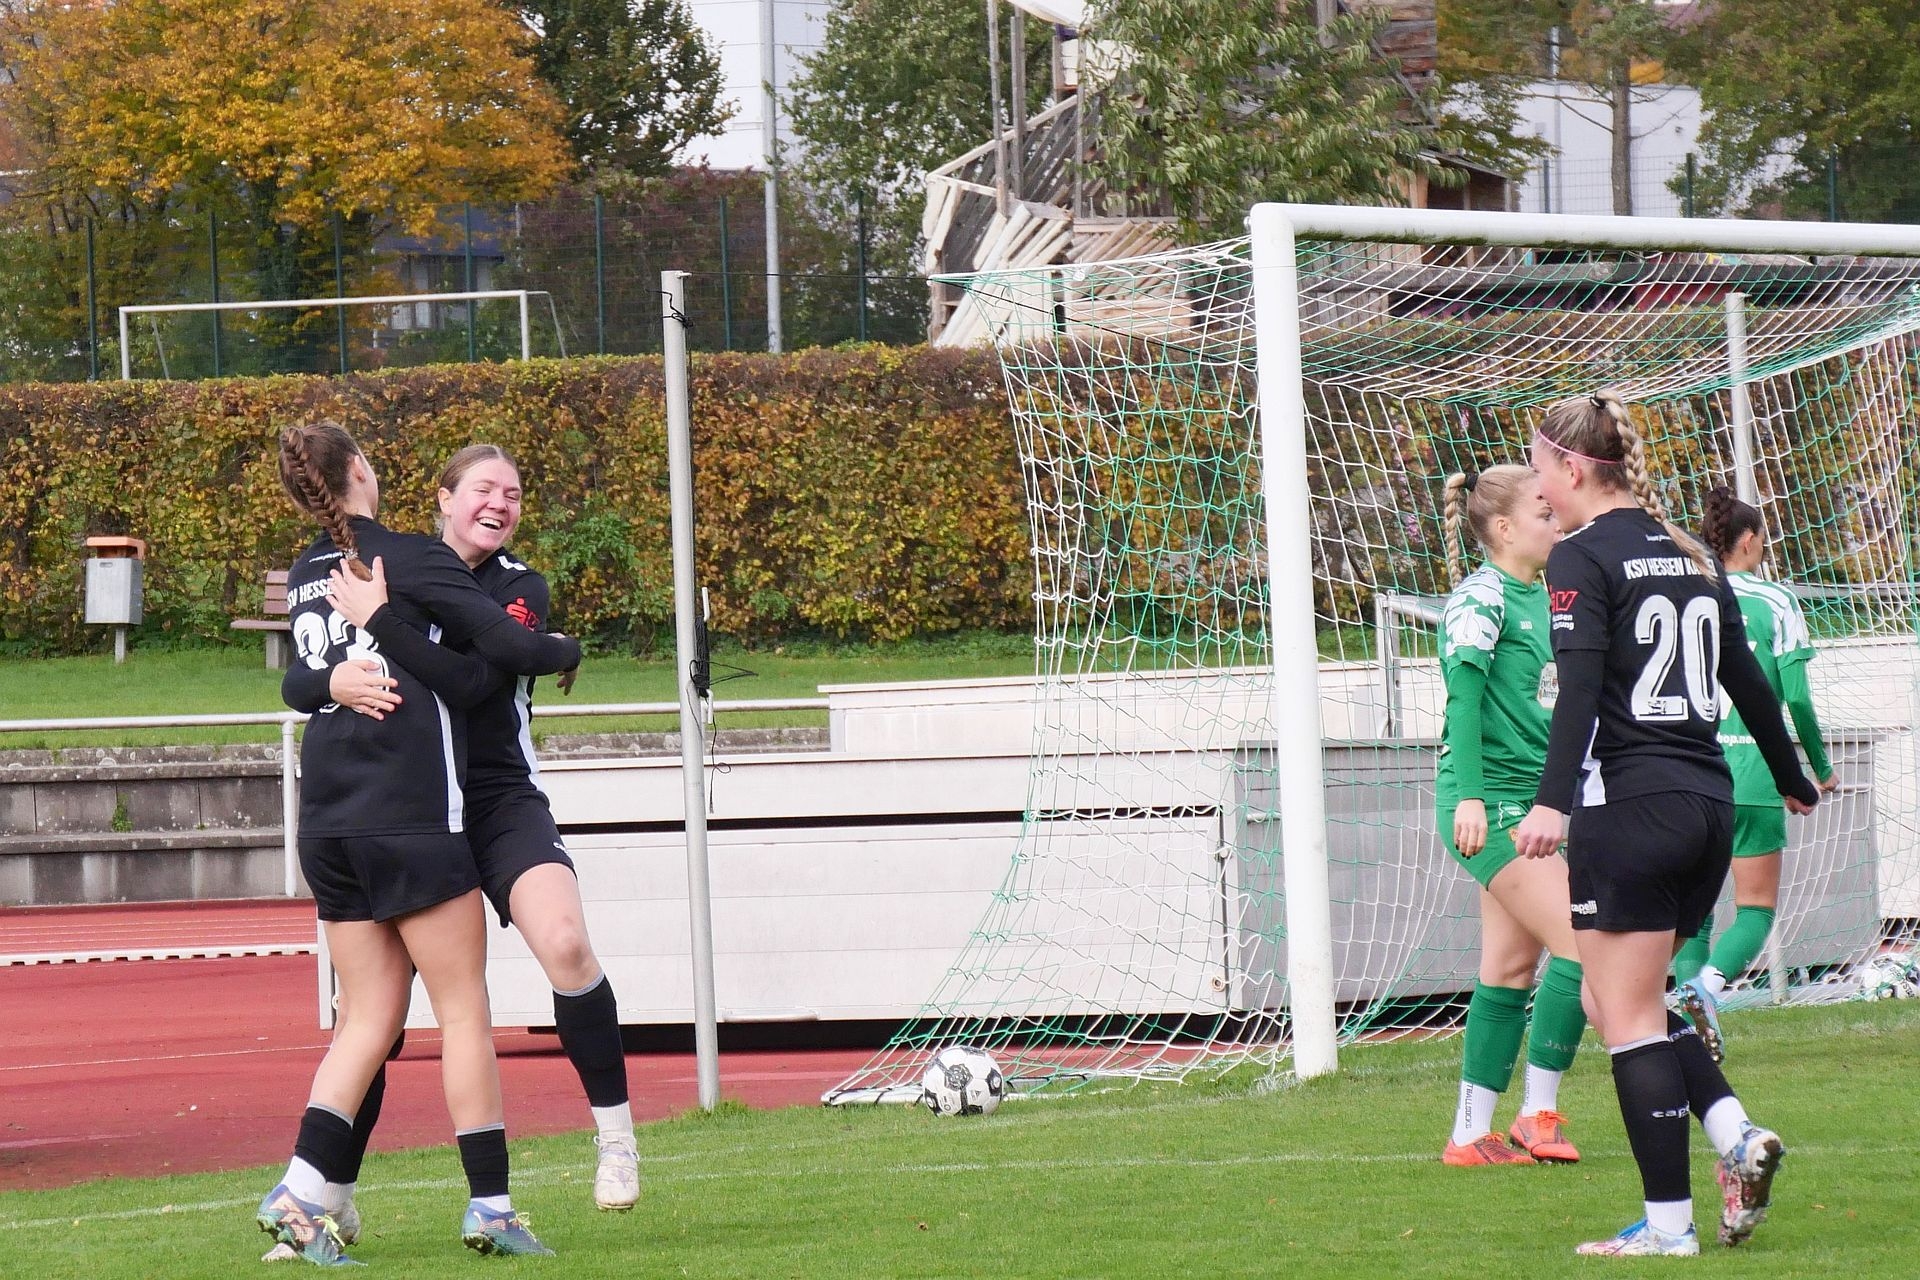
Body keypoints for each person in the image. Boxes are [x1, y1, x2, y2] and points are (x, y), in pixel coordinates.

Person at [255, 421, 580, 1265]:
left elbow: (298, 678)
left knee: (366, 1019)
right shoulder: (410, 558)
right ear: (362, 470)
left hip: (326, 818)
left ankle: (300, 1191)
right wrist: (567, 647)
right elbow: (500, 655)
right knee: (464, 1010)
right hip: (411, 812)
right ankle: (492, 1209)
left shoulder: (305, 572)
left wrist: (328, 680)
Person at [1513, 391, 1820, 1257]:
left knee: (1629, 1020)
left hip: (1630, 808)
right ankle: (1736, 1136)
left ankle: (1668, 1227)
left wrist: (1551, 803)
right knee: (1626, 1002)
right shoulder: (1690, 553)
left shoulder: (1580, 556)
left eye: (1541, 469)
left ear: (1575, 469)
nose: (1540, 489)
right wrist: (1789, 774)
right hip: (1707, 807)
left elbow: (1580, 691)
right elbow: (1746, 679)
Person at [300, 444, 641, 1217]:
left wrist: (387, 624)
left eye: (513, 494)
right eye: (484, 488)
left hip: (494, 799)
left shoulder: (518, 585)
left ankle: (617, 1139)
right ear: (444, 498)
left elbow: (477, 684)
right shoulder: (393, 564)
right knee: (371, 1018)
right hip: (416, 800)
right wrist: (335, 673)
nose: (500, 503)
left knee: (566, 944)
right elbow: (306, 676)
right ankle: (333, 1196)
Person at [1434, 465, 1589, 1167]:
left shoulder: (1549, 594)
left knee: (1509, 967)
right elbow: (1463, 701)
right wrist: (1470, 796)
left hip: (1533, 803)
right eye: (1541, 512)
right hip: (1491, 805)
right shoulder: (1481, 597)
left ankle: (1470, 1134)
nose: (1555, 521)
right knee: (1585, 945)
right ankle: (1536, 1115)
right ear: (1502, 528)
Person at [1671, 486, 1838, 1060]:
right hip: (1756, 772)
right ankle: (1706, 988)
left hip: (1692, 770)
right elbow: (1797, 698)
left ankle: (1685, 1023)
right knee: (1756, 907)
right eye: (1763, 539)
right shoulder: (1776, 601)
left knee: (1693, 912)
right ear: (1747, 541)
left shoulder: (1687, 591)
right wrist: (1818, 770)